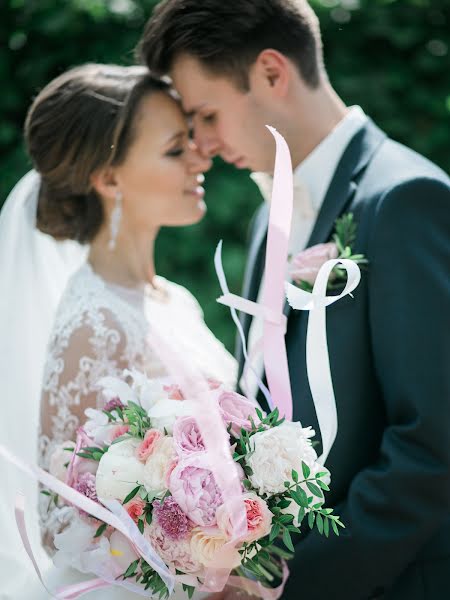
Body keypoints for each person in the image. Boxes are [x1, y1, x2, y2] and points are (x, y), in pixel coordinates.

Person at [140, 1, 450, 599]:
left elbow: (434, 443)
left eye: (207, 115)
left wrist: (293, 587)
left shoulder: (406, 199)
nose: (201, 143)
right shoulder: (266, 218)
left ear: (272, 73)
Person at [0, 63, 236, 599]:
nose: (202, 157)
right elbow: (61, 526)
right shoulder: (93, 325)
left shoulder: (174, 298)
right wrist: (191, 571)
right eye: (176, 150)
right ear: (108, 179)